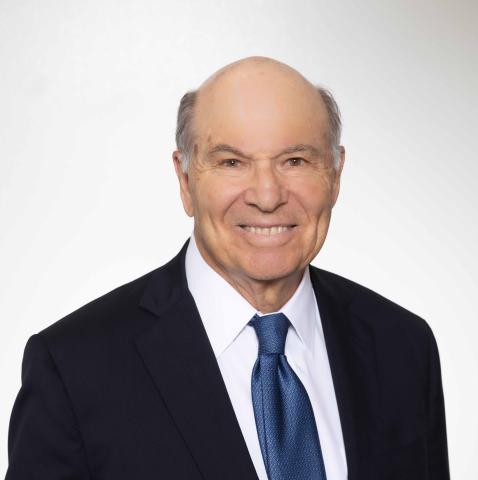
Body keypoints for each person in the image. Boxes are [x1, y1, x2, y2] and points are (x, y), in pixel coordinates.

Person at [5, 56, 450, 480]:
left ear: (335, 174)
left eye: (295, 161)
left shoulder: (403, 347)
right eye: (231, 162)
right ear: (185, 180)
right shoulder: (75, 368)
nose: (267, 195)